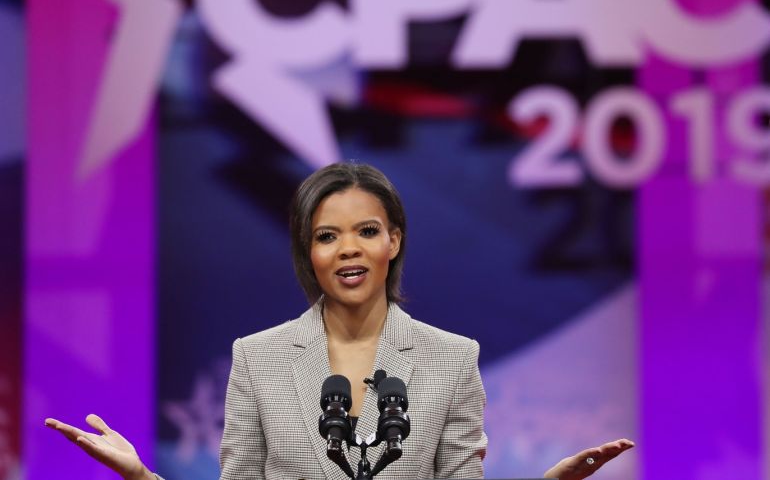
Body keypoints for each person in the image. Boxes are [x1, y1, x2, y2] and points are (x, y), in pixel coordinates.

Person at [46, 162, 634, 479]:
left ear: (394, 241)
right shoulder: (258, 357)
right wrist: (143, 479)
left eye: (367, 231)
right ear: (309, 252)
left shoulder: (452, 358)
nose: (348, 249)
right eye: (327, 236)